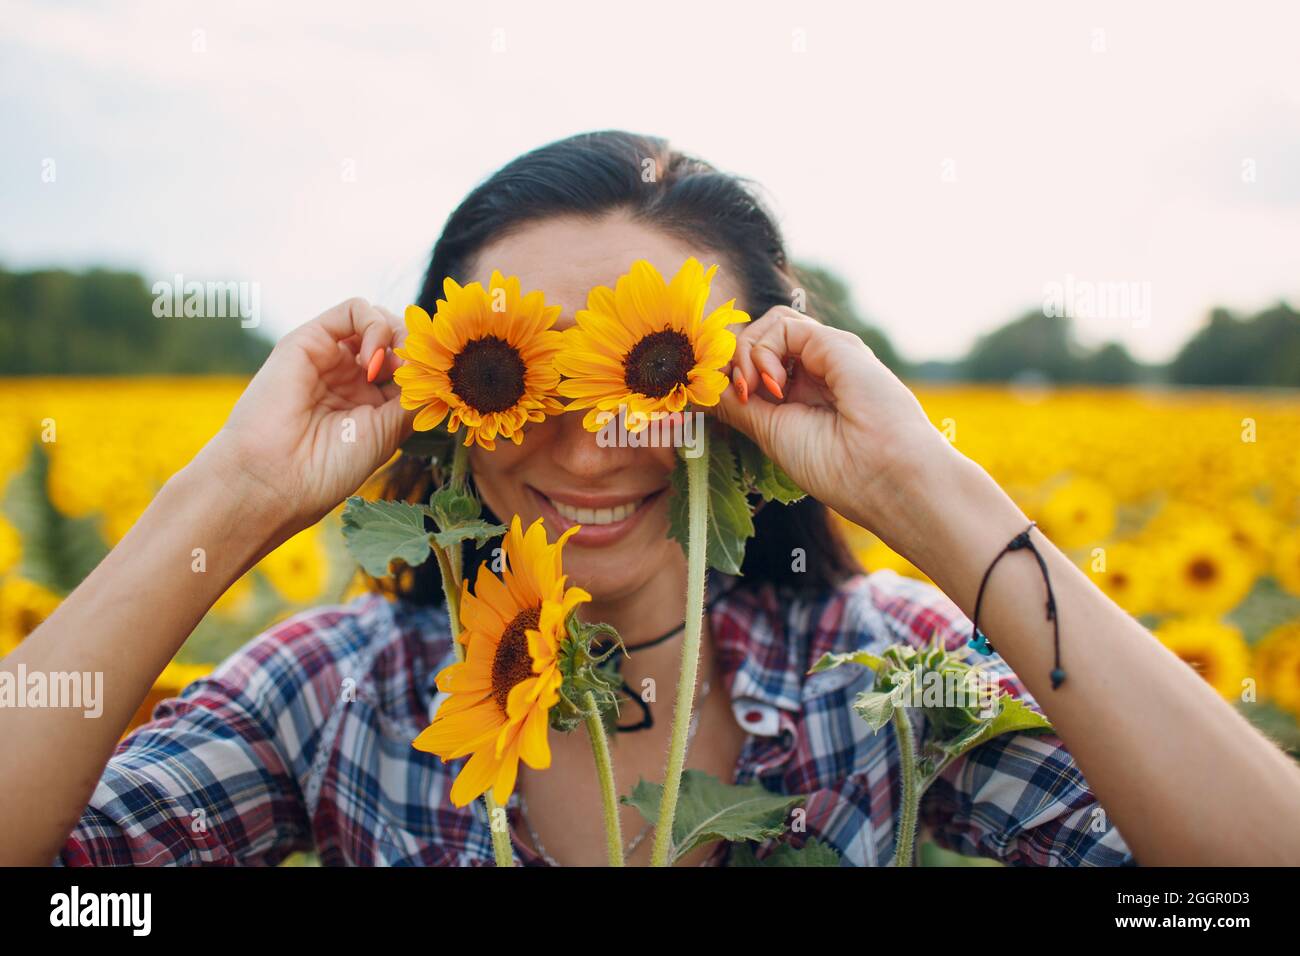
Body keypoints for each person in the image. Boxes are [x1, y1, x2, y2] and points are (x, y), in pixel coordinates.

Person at [4, 131, 1298, 866]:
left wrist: (926, 487)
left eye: (647, 376)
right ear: (447, 394)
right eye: (522, 378)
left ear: (752, 394)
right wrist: (227, 499)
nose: (588, 443)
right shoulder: (346, 693)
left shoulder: (883, 680)